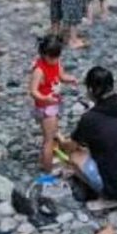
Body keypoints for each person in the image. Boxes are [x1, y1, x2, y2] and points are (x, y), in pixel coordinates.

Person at [63, 66, 117, 208]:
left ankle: (109, 196)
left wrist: (60, 141)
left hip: (115, 188)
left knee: (74, 157)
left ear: (90, 90)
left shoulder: (89, 118)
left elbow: (71, 146)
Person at [29, 33, 78, 176]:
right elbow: (33, 91)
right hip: (46, 108)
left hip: (53, 104)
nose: (55, 60)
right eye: (52, 57)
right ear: (44, 55)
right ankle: (48, 172)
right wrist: (45, 98)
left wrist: (70, 79)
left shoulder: (55, 62)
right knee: (49, 141)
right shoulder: (39, 70)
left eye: (57, 57)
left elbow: (61, 76)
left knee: (51, 134)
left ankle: (45, 160)